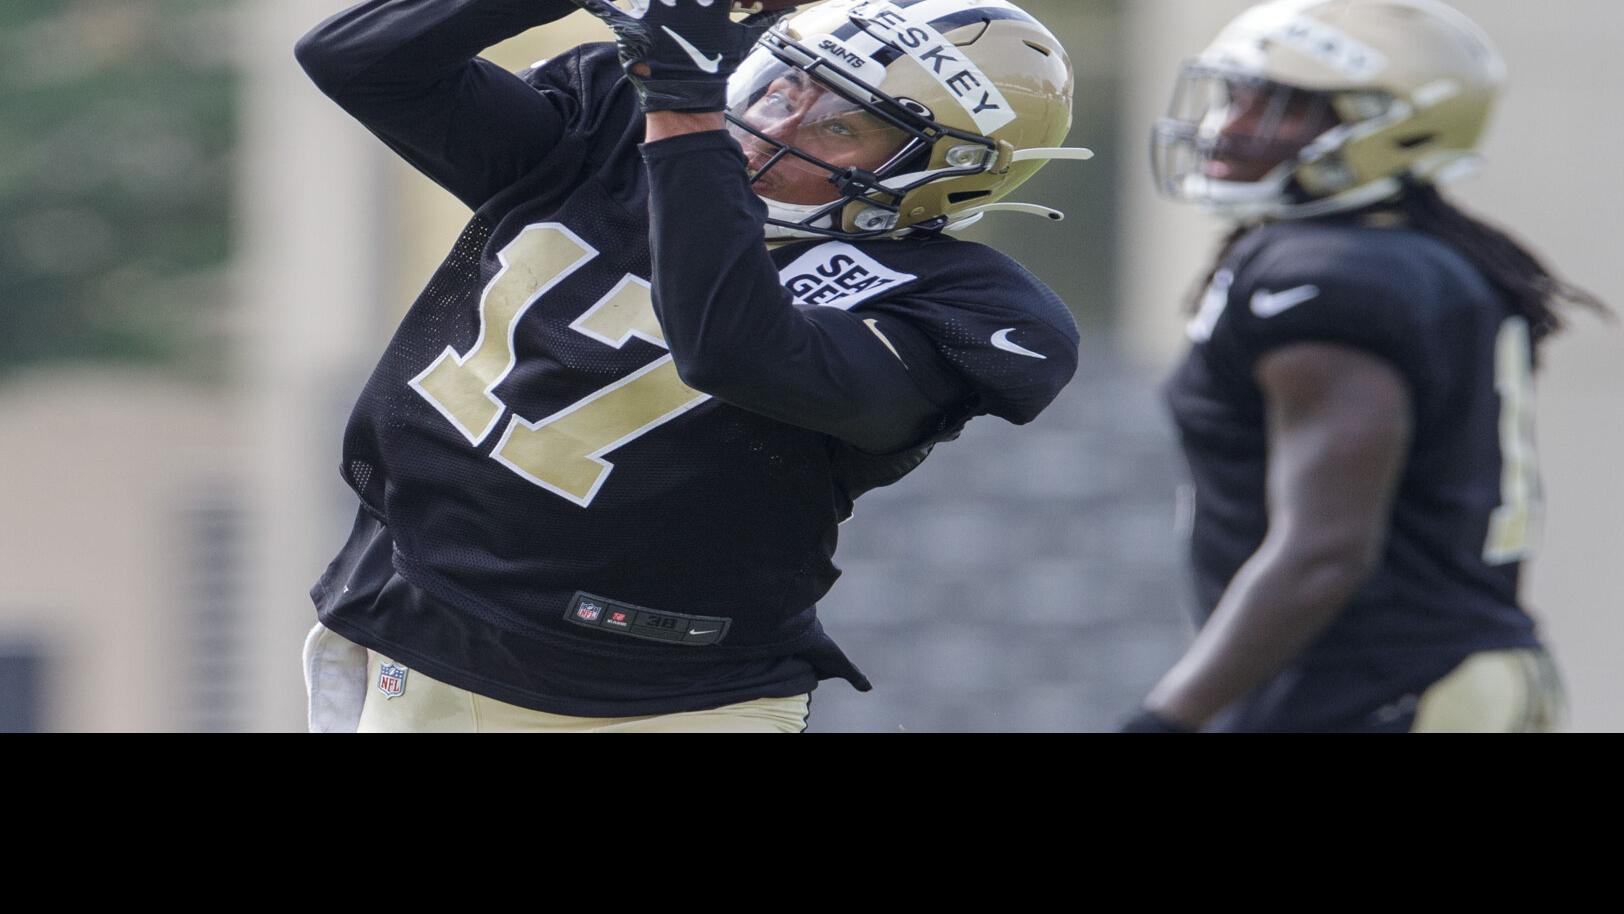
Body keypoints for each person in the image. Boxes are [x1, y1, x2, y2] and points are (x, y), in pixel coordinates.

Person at [293, 0, 1091, 732]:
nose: (774, 122)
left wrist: (682, 102)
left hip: (678, 700)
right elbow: (359, 60)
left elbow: (730, 347)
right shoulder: (621, 122)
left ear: (940, 177)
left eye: (843, 128)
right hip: (424, 625)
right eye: (787, 84)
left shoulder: (969, 309)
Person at [1126, 0, 1605, 733]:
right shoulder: (1400, 253)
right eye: (1237, 95)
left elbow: (1324, 552)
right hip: (1436, 681)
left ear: (1396, 125)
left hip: (1384, 693)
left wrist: (1166, 718)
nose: (1232, 126)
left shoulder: (1333, 274)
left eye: (1281, 108)